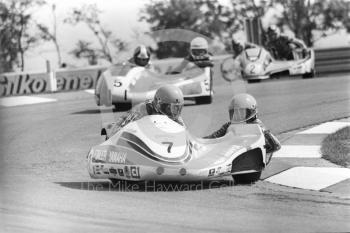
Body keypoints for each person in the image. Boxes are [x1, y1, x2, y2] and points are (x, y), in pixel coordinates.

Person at [204, 93, 281, 154]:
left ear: (251, 111)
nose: (238, 116)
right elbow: (213, 138)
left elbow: (276, 145)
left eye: (241, 113)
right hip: (229, 154)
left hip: (251, 156)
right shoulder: (228, 125)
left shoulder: (258, 125)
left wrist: (264, 137)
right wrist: (200, 142)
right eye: (234, 113)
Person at [108, 85, 186, 137]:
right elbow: (118, 130)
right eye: (169, 108)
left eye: (177, 108)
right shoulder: (141, 110)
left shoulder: (175, 116)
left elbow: (184, 134)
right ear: (159, 104)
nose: (174, 112)